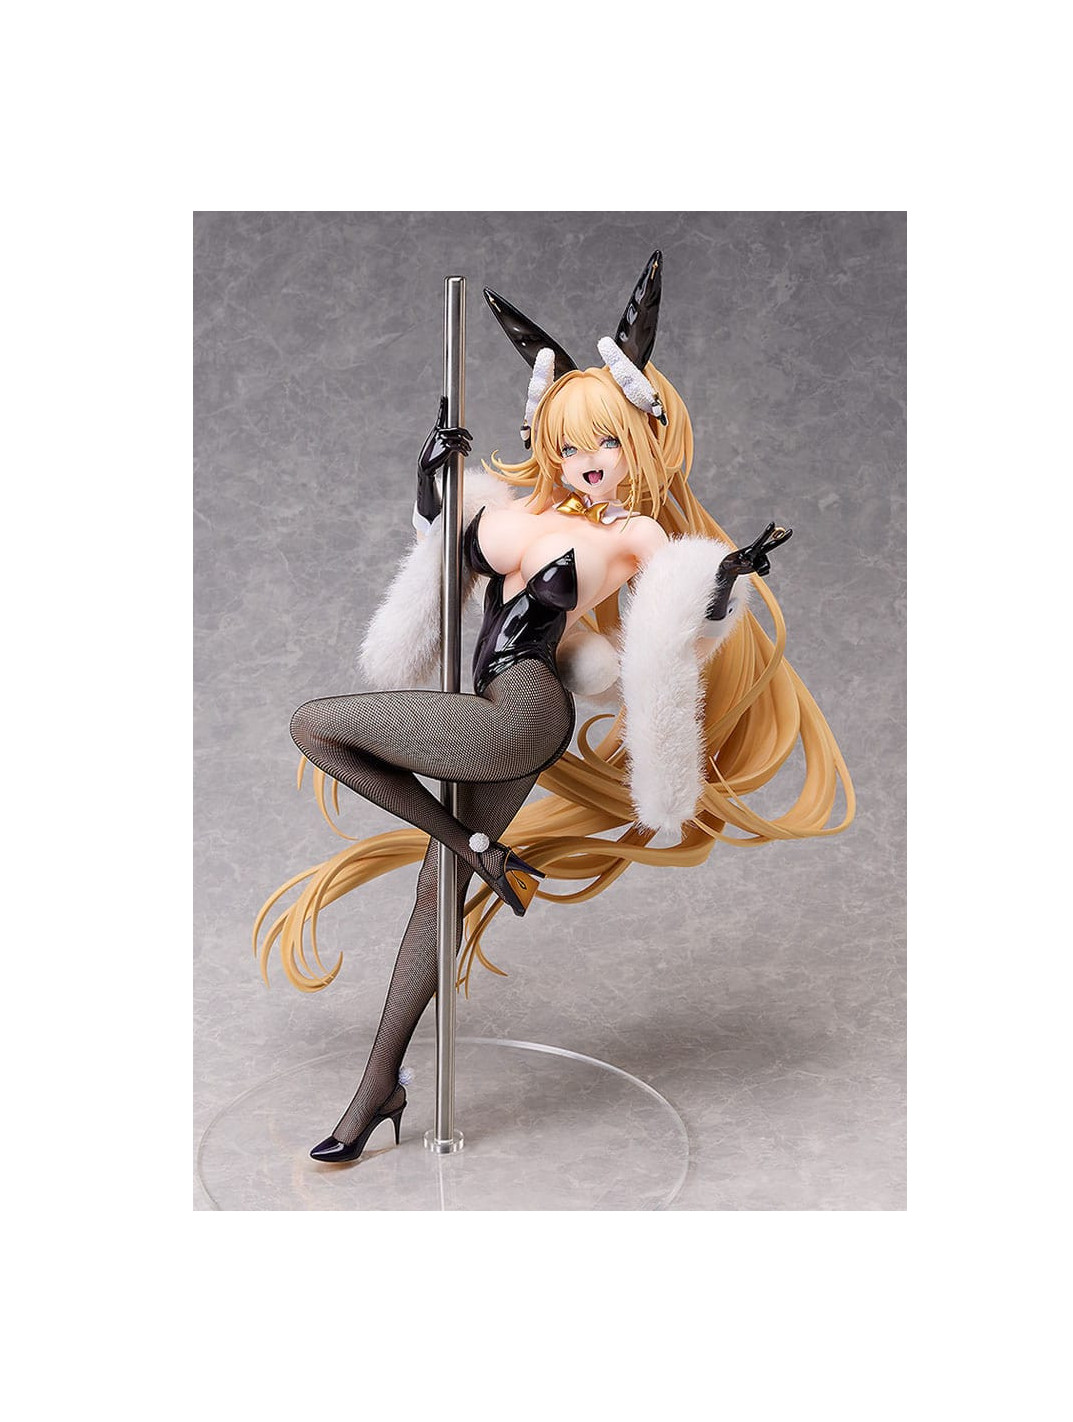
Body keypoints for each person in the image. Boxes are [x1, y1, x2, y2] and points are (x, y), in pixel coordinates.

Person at [254, 252, 855, 1162]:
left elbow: (676, 616)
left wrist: (723, 583)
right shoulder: (517, 510)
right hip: (490, 705)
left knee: (315, 724)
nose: (586, 463)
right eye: (570, 446)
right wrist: (430, 482)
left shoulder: (632, 533)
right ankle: (379, 1088)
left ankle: (474, 847)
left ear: (639, 440)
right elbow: (442, 550)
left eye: (604, 443)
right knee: (434, 898)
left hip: (524, 711)